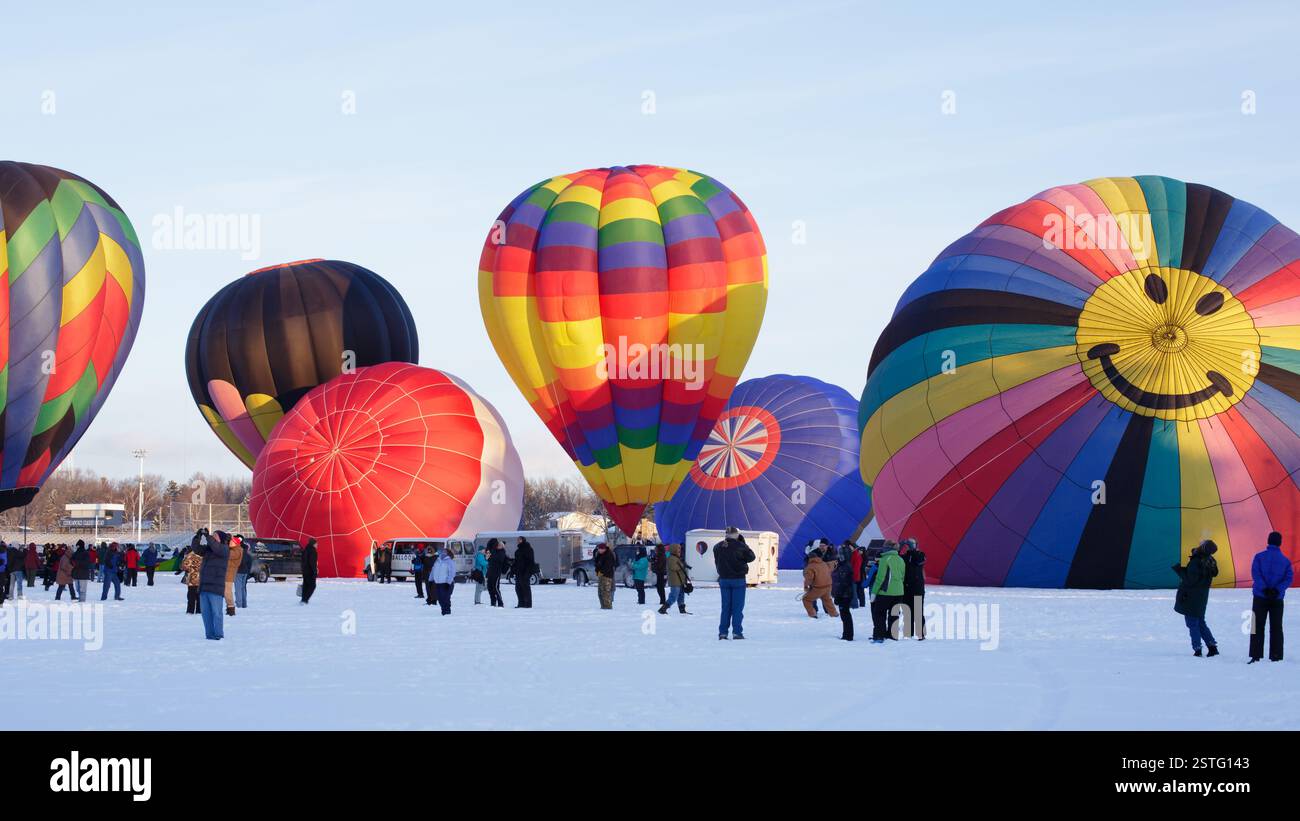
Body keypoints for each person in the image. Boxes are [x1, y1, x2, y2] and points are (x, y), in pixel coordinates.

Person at [1249, 531, 1293, 663]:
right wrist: (1276, 590)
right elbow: (1288, 578)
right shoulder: (1285, 561)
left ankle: (1255, 655)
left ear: (1268, 541)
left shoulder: (1259, 557)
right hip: (1277, 599)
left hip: (1260, 597)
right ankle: (1276, 656)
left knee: (1257, 625)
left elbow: (1255, 574)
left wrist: (1264, 588)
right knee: (1276, 627)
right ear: (1280, 543)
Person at [1173, 539, 1220, 657]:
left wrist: (1179, 570)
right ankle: (1212, 646)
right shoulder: (1210, 561)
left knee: (1192, 623)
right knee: (1200, 622)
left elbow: (1190, 580)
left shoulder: (1196, 561)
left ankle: (1197, 649)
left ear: (1203, 548)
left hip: (1191, 597)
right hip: (1202, 597)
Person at [714, 527, 755, 640]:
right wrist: (743, 543)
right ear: (736, 535)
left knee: (726, 607)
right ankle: (737, 632)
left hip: (724, 579)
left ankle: (723, 633)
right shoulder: (741, 546)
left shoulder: (717, 546)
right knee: (737, 608)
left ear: (726, 535)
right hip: (738, 579)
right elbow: (752, 557)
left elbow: (717, 560)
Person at [870, 541, 906, 643]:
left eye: (884, 547)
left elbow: (880, 578)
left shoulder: (884, 559)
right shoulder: (900, 559)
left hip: (885, 592)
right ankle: (892, 636)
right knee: (894, 615)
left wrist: (874, 592)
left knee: (879, 614)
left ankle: (879, 636)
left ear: (888, 548)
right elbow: (902, 576)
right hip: (899, 592)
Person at [198, 531, 230, 639]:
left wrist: (208, 537)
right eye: (213, 535)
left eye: (215, 535)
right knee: (205, 614)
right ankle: (209, 634)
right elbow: (196, 548)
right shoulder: (208, 549)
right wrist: (198, 536)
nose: (213, 537)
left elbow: (216, 547)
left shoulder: (224, 549)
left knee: (217, 613)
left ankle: (218, 634)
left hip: (216, 587)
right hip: (204, 587)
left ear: (221, 539)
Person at [901, 538, 927, 639]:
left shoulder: (920, 554)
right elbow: (897, 559)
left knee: (918, 611)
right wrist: (899, 547)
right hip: (906, 588)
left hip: (918, 588)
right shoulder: (905, 557)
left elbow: (919, 561)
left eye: (912, 544)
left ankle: (921, 634)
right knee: (907, 611)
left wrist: (913, 550)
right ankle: (908, 633)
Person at [802, 548, 837, 619]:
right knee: (827, 600)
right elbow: (831, 566)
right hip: (828, 586)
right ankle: (834, 614)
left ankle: (812, 614)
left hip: (818, 588)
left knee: (806, 599)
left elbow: (809, 579)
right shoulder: (823, 563)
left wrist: (806, 587)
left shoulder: (810, 567)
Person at [831, 543, 857, 640]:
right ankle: (847, 634)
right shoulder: (841, 565)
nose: (838, 556)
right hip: (843, 594)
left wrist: (838, 595)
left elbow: (843, 583)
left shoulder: (845, 566)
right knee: (845, 615)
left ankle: (848, 635)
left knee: (845, 615)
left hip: (844, 595)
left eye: (840, 554)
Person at [657, 544, 690, 615]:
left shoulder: (678, 558)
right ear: (674, 549)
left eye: (680, 549)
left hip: (680, 580)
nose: (679, 550)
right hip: (675, 581)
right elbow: (674, 567)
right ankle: (663, 609)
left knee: (681, 595)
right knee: (674, 596)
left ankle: (682, 610)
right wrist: (683, 565)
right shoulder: (671, 558)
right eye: (678, 549)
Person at [431, 545, 456, 615]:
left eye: (445, 552)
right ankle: (444, 610)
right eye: (442, 552)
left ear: (448, 553)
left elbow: (452, 573)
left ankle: (447, 612)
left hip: (446, 584)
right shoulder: (437, 561)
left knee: (445, 598)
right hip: (438, 583)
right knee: (439, 598)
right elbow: (433, 570)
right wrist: (431, 580)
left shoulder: (450, 561)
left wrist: (448, 583)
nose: (443, 553)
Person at [223, 535, 244, 616]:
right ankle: (229, 607)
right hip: (226, 574)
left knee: (227, 592)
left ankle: (231, 608)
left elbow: (228, 554)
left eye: (231, 542)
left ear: (235, 543)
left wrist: (225, 544)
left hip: (229, 575)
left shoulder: (237, 551)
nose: (230, 543)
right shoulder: (234, 549)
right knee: (226, 592)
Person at [593, 542, 616, 609]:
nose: (599, 550)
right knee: (600, 592)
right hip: (601, 575)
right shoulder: (599, 555)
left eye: (600, 549)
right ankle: (603, 606)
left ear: (604, 549)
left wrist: (602, 572)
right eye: (598, 549)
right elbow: (597, 564)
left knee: (606, 592)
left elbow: (608, 567)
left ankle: (608, 607)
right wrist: (597, 571)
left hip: (607, 576)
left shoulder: (609, 555)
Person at [513, 536, 535, 608]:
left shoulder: (528, 549)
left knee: (526, 588)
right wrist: (513, 570)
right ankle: (521, 603)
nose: (518, 541)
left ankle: (528, 604)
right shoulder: (517, 551)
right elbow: (516, 562)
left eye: (519, 539)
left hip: (526, 572)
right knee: (518, 588)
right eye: (518, 540)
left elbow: (530, 561)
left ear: (523, 540)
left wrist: (528, 572)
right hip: (518, 572)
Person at [485, 538, 507, 607]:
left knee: (496, 587)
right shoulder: (493, 551)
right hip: (490, 572)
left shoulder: (501, 551)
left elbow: (499, 559)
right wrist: (487, 554)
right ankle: (493, 602)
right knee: (490, 587)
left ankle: (500, 603)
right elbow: (488, 559)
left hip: (497, 572)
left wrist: (492, 551)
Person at [182, 546, 203, 614]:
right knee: (199, 597)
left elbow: (184, 566)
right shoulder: (203, 554)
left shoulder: (190, 555)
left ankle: (190, 611)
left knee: (191, 597)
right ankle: (199, 611)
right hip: (202, 579)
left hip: (192, 579)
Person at [234, 536, 252, 609]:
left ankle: (239, 605)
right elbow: (249, 561)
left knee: (238, 589)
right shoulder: (246, 550)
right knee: (243, 588)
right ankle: (244, 604)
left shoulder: (239, 550)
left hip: (238, 571)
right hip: (245, 571)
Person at [300, 537, 318, 604]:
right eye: (316, 544)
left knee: (306, 585)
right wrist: (315, 571)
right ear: (313, 544)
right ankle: (305, 599)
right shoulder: (313, 551)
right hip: (310, 571)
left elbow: (302, 561)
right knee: (312, 585)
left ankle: (303, 599)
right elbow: (312, 562)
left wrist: (303, 569)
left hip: (305, 571)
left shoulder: (305, 549)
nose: (317, 545)